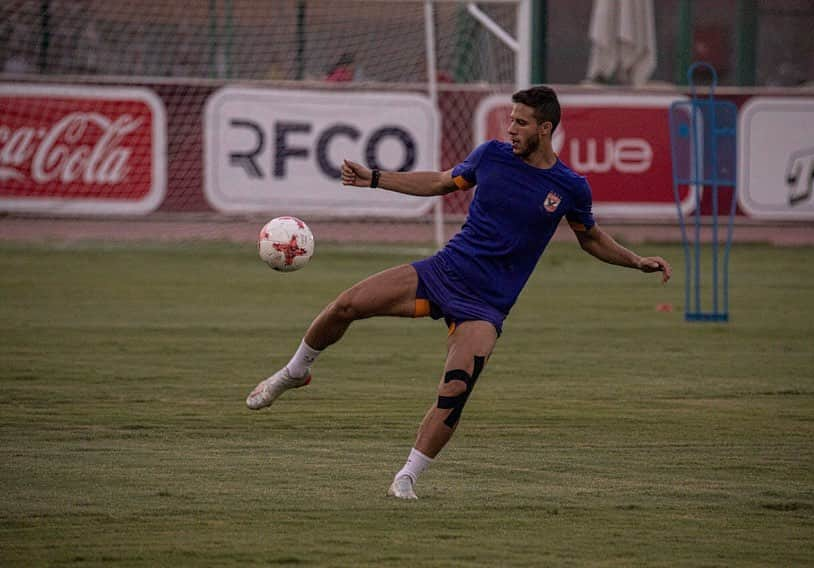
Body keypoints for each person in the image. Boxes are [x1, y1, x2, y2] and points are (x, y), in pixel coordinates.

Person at [246, 86, 672, 500]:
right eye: (510, 119)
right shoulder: (490, 155)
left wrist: (636, 261)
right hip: (443, 272)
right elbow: (440, 181)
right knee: (347, 304)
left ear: (545, 128)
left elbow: (591, 238)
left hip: (486, 306)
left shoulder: (570, 187)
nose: (511, 128)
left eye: (521, 122)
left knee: (455, 390)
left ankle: (406, 478)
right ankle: (294, 373)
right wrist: (375, 178)